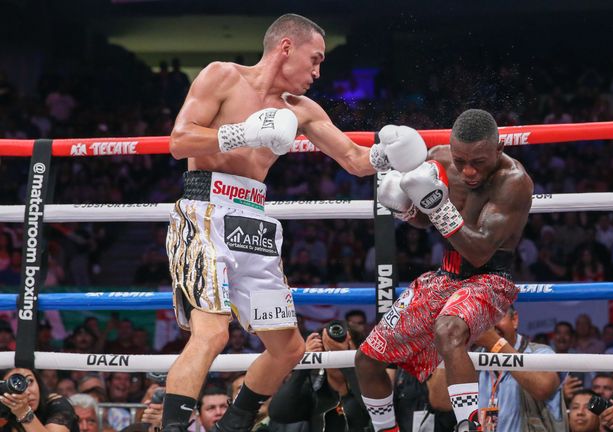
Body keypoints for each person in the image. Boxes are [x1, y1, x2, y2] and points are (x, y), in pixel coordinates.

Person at [162, 13, 426, 432]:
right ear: (286, 47)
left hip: (254, 223)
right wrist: (243, 133)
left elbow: (355, 160)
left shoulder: (301, 110)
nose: (318, 72)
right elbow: (179, 141)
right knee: (212, 336)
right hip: (204, 213)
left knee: (288, 348)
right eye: (315, 59)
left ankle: (234, 425)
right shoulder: (223, 76)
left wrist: (389, 153)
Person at [355, 108, 534, 432]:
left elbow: (479, 251)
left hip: (491, 279)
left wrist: (438, 207)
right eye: (461, 159)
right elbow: (426, 216)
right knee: (367, 358)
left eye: (478, 162)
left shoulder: (514, 181)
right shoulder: (439, 158)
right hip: (445, 275)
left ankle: (469, 426)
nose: (468, 171)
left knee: (448, 329)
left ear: (498, 150)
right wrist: (407, 210)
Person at [473, 305, 565, 431]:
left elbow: (543, 388)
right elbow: (439, 401)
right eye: (485, 319)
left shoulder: (540, 353)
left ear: (514, 320)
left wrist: (496, 343)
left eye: (497, 316)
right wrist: (458, 345)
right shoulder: (473, 358)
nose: (491, 326)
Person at [0, 368, 77, 432]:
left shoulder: (57, 403)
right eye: (15, 385)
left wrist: (24, 413)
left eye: (30, 381)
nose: (27, 392)